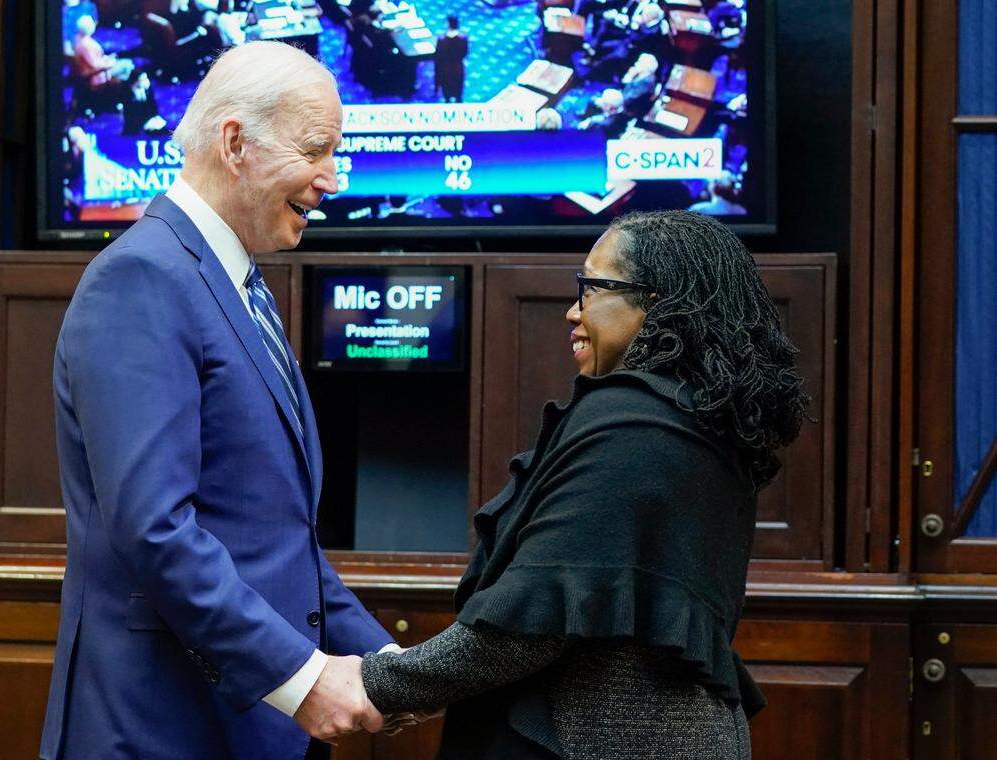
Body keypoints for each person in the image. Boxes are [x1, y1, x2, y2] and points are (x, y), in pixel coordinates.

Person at [40, 42, 397, 760]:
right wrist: (301, 679)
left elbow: (271, 538)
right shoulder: (143, 278)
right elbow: (156, 532)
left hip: (236, 729)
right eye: (316, 150)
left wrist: (396, 671)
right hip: (160, 730)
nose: (333, 177)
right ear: (235, 143)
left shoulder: (236, 284)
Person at [361, 210, 810, 758]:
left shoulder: (634, 423)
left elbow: (530, 619)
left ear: (660, 301)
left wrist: (378, 684)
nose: (574, 311)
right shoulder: (695, 421)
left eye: (593, 287)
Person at [434, 15, 469, 103]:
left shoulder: (442, 40)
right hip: (458, 68)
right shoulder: (462, 38)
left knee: (447, 94)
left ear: (448, 24)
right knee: (458, 94)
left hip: (445, 69)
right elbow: (465, 53)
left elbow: (438, 55)